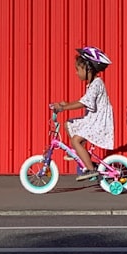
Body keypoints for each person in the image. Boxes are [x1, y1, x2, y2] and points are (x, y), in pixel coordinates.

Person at [50, 46, 115, 181]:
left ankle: (91, 170)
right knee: (68, 124)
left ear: (88, 69)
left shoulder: (97, 83)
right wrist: (66, 104)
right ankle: (80, 154)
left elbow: (84, 103)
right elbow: (84, 101)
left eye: (78, 69)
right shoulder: (92, 84)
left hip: (98, 122)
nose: (76, 73)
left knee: (75, 140)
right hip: (92, 119)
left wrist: (64, 108)